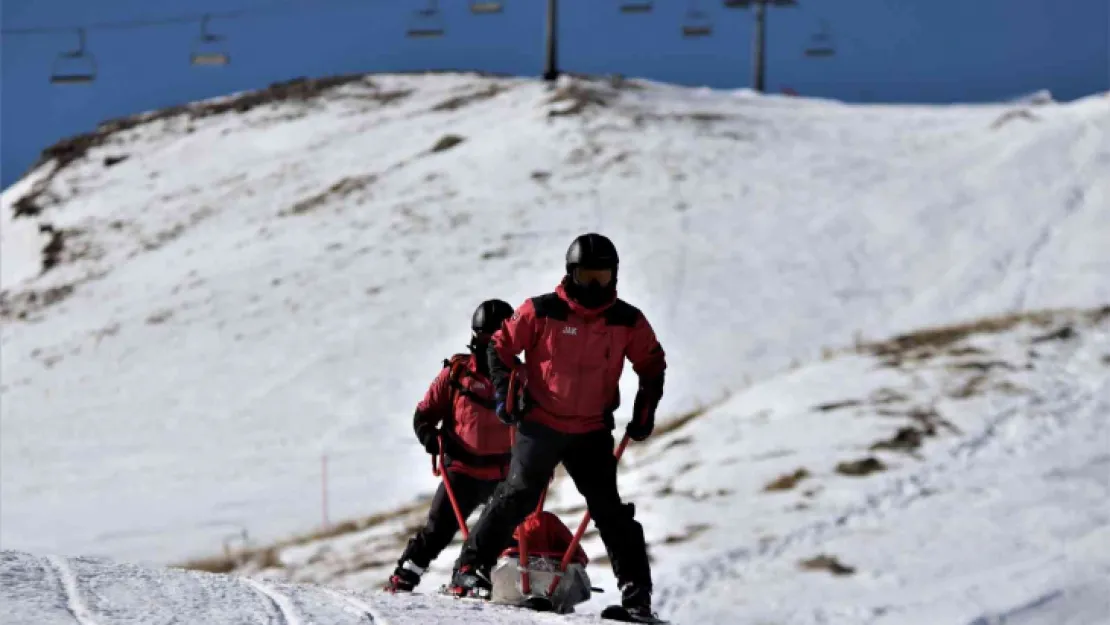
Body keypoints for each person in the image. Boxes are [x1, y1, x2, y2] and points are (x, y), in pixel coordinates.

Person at [448, 233, 667, 621]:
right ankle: (470, 570)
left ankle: (637, 599)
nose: (595, 285)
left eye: (603, 276)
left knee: (610, 511)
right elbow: (499, 347)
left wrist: (644, 410)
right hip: (541, 422)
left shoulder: (626, 320)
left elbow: (652, 363)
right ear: (571, 274)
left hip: (591, 429)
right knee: (517, 494)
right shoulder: (541, 311)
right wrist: (505, 393)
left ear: (615, 275)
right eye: (587, 276)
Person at [384, 299, 517, 593]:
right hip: (462, 469)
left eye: (498, 339)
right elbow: (424, 415)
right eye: (486, 338)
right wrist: (430, 438)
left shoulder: (521, 379)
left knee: (508, 534)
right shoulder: (457, 374)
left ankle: (496, 581)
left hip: (503, 474)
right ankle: (405, 575)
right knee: (438, 530)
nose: (491, 346)